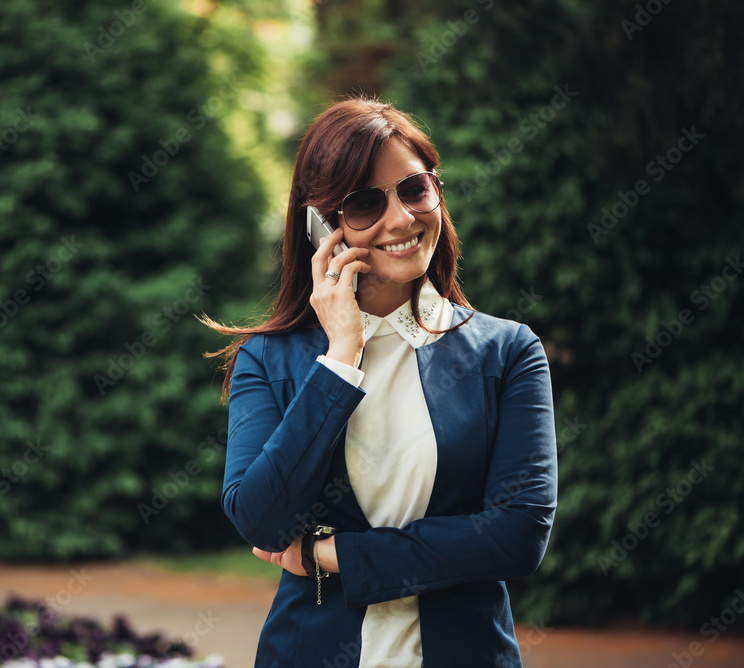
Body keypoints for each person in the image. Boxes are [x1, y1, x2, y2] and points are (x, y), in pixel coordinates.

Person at [202, 97, 558, 667]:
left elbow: (516, 536)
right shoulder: (269, 358)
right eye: (365, 203)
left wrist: (328, 554)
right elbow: (262, 520)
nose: (400, 219)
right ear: (323, 225)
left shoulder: (508, 351)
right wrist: (342, 357)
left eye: (414, 189)